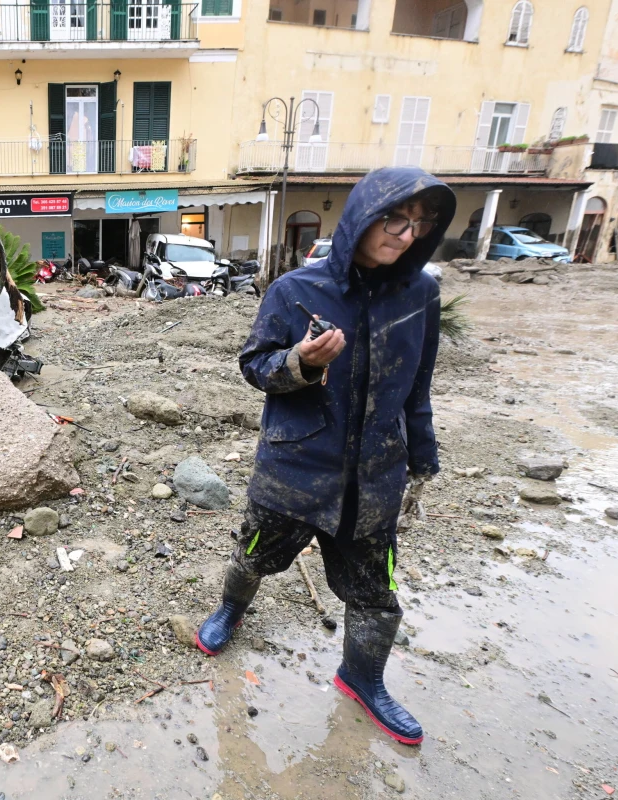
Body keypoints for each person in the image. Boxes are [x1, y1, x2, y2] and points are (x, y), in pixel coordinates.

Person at [194, 166, 456, 747]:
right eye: (395, 218)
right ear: (362, 215)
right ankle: (230, 611)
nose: (405, 235)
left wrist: (423, 457)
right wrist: (303, 363)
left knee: (375, 592)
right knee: (255, 553)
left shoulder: (422, 295)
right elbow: (254, 366)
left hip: (374, 478)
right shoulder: (296, 291)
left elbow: (419, 386)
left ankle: (362, 679)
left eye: (419, 225)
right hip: (295, 469)